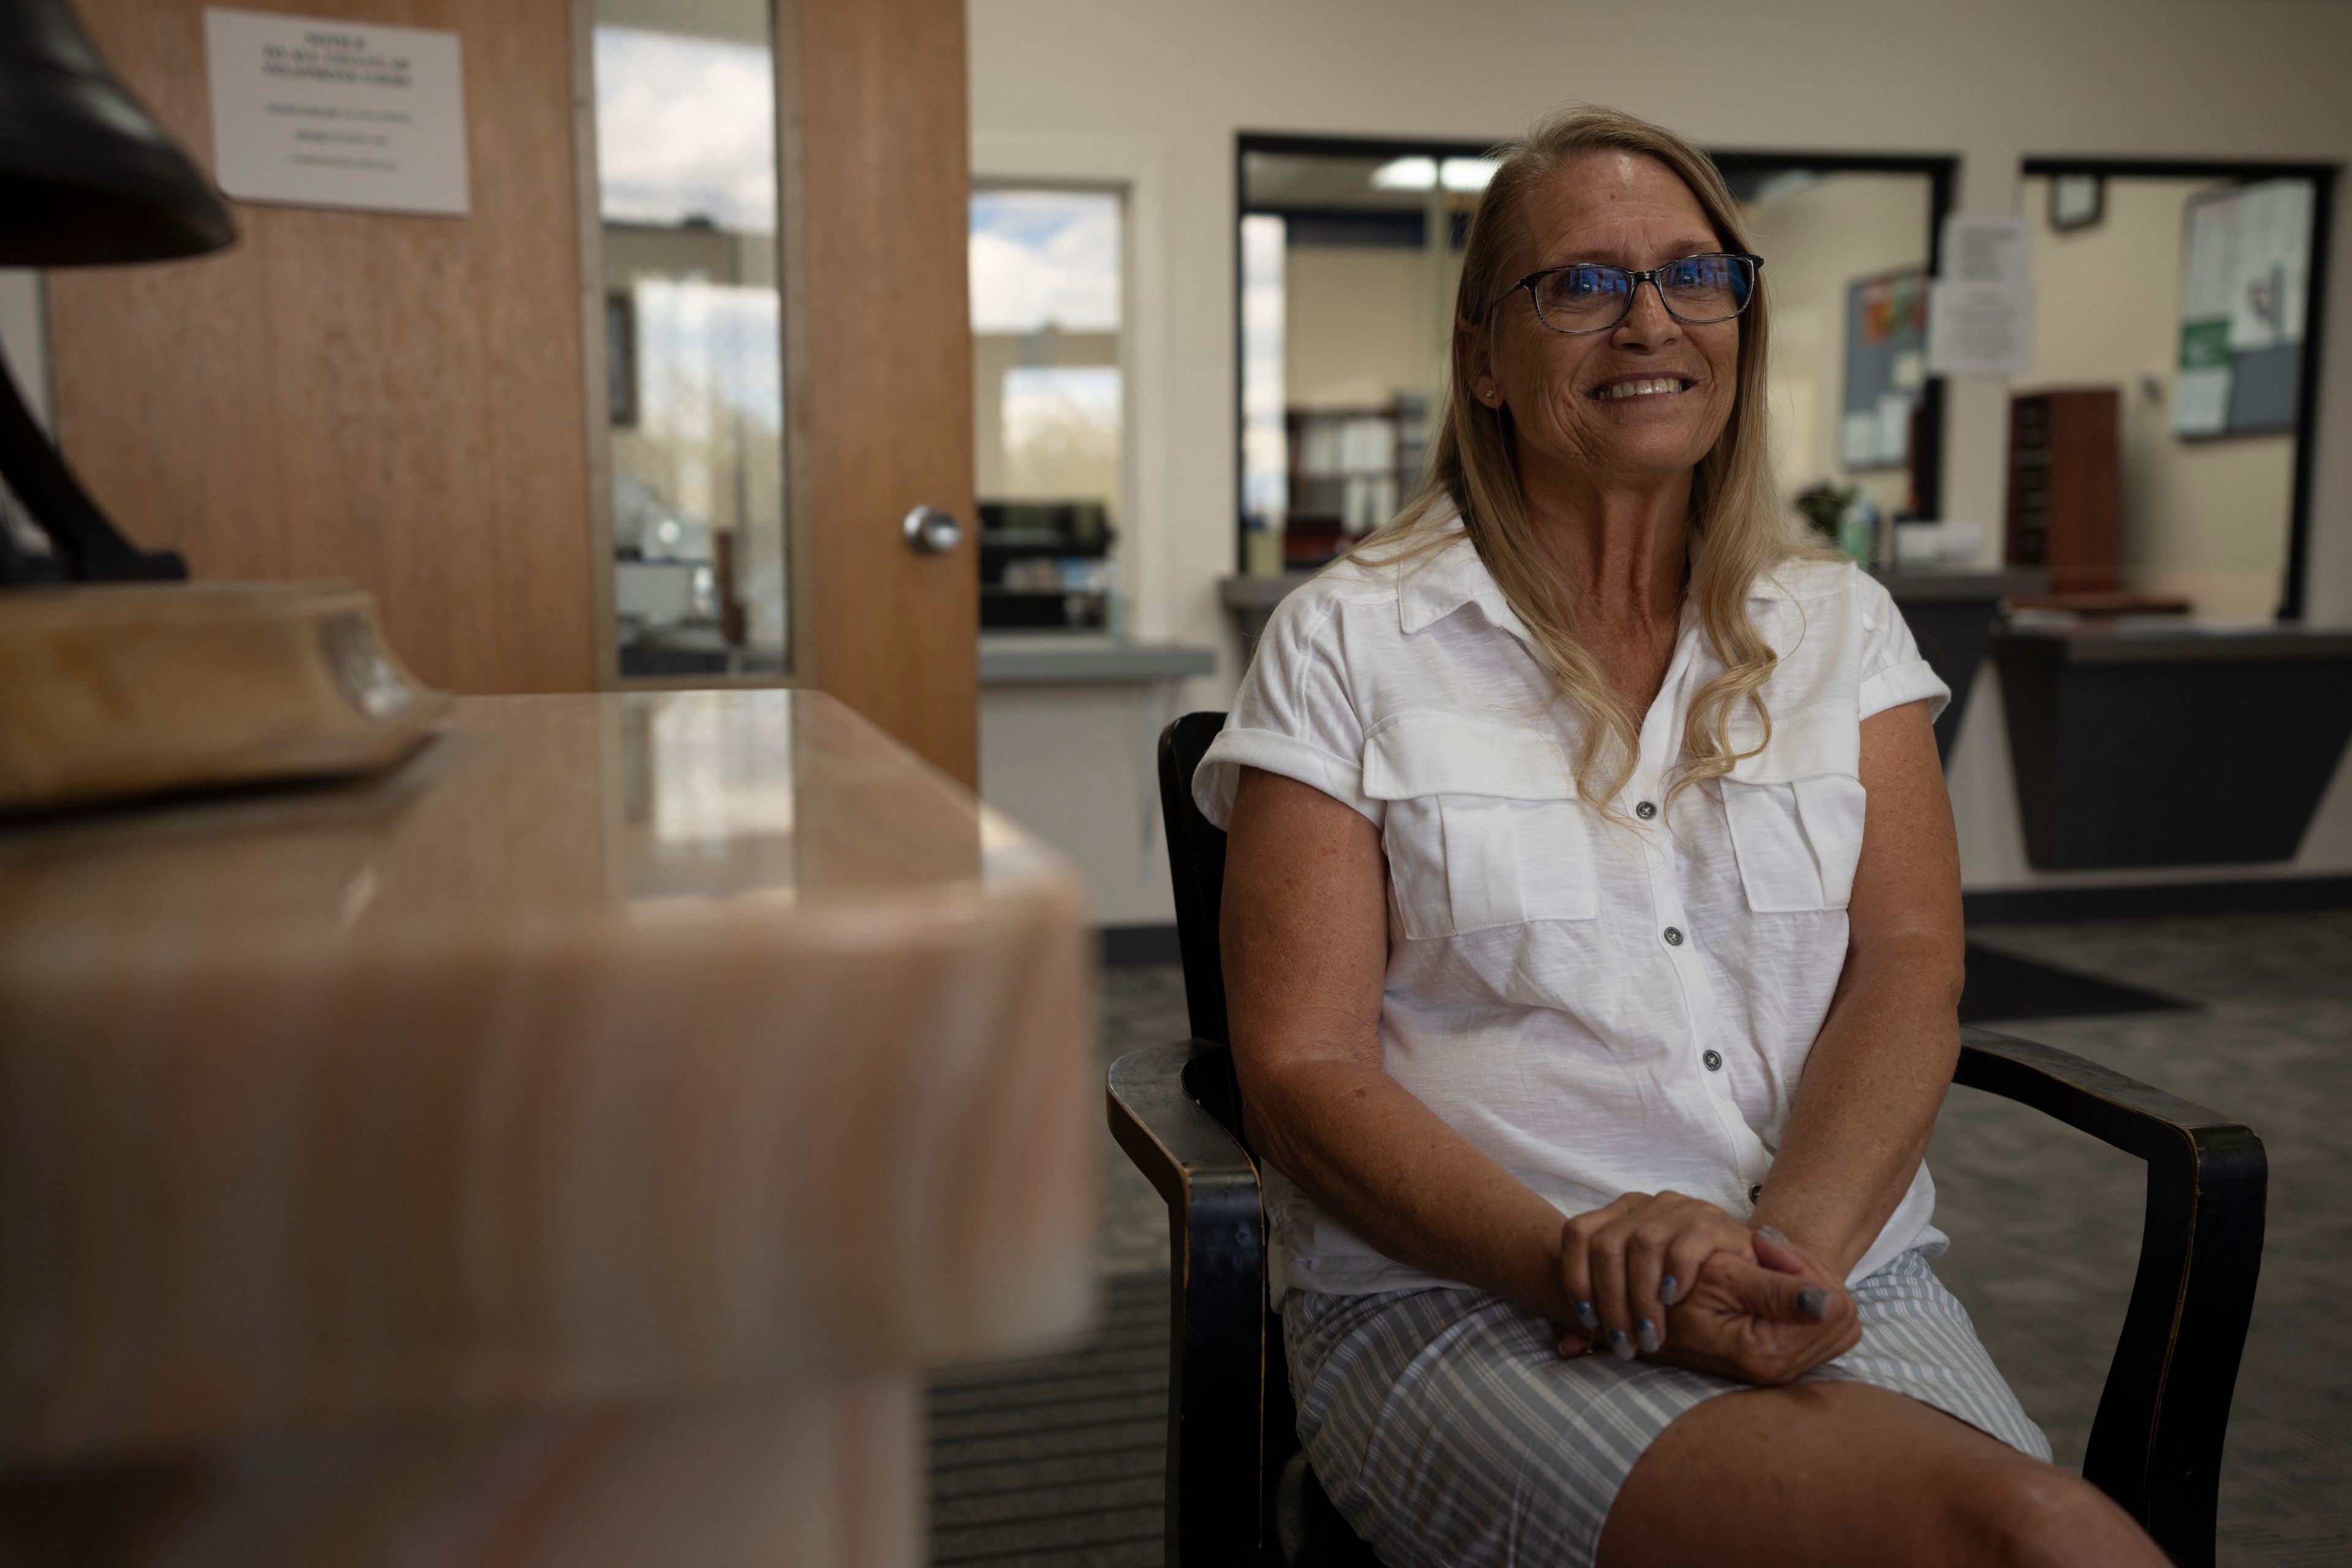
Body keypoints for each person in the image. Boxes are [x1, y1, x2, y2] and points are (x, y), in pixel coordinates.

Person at [1194, 106, 2166, 1568]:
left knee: (2045, 1532)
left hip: (1832, 1272)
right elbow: (1300, 1066)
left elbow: (1907, 966)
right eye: (1581, 283)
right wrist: (1578, 1258)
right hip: (1472, 1302)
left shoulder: (1839, 626)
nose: (1648, 319)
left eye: (1694, 275)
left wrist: (1791, 1255)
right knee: (1996, 1536)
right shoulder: (1351, 641)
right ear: (1484, 359)